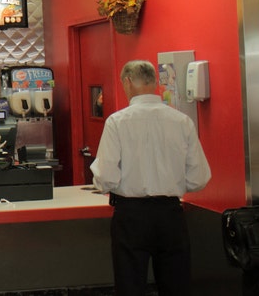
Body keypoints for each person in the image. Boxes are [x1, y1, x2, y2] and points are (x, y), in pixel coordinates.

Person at [90, 60, 211, 296]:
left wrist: (105, 184)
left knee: (130, 286)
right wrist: (170, 183)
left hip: (131, 216)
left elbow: (106, 177)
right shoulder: (182, 121)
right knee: (176, 287)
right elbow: (199, 178)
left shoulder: (117, 122)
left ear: (127, 82)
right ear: (155, 82)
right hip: (170, 215)